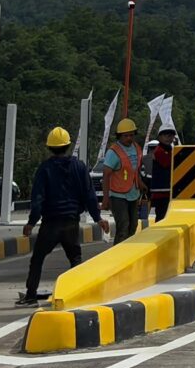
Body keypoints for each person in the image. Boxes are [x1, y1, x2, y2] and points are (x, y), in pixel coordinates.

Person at [18, 125, 108, 305]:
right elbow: (89, 195)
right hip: (71, 222)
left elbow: (38, 199)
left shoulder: (44, 169)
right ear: (68, 145)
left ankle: (30, 296)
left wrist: (30, 223)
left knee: (38, 259)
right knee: (75, 259)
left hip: (51, 223)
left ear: (49, 147)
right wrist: (98, 218)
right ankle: (77, 295)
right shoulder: (79, 167)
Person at [98, 118, 145, 241]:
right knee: (123, 226)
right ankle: (118, 253)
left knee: (133, 225)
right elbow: (106, 175)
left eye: (131, 135)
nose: (129, 138)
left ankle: (127, 252)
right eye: (126, 136)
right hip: (117, 195)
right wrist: (106, 199)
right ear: (119, 136)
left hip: (133, 193)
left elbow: (135, 170)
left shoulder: (136, 148)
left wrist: (140, 184)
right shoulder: (113, 152)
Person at [146, 126, 178, 223]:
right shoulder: (159, 151)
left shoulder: (170, 150)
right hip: (161, 191)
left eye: (171, 136)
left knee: (167, 215)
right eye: (166, 135)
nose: (169, 138)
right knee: (161, 215)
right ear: (159, 137)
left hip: (168, 190)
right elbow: (168, 162)